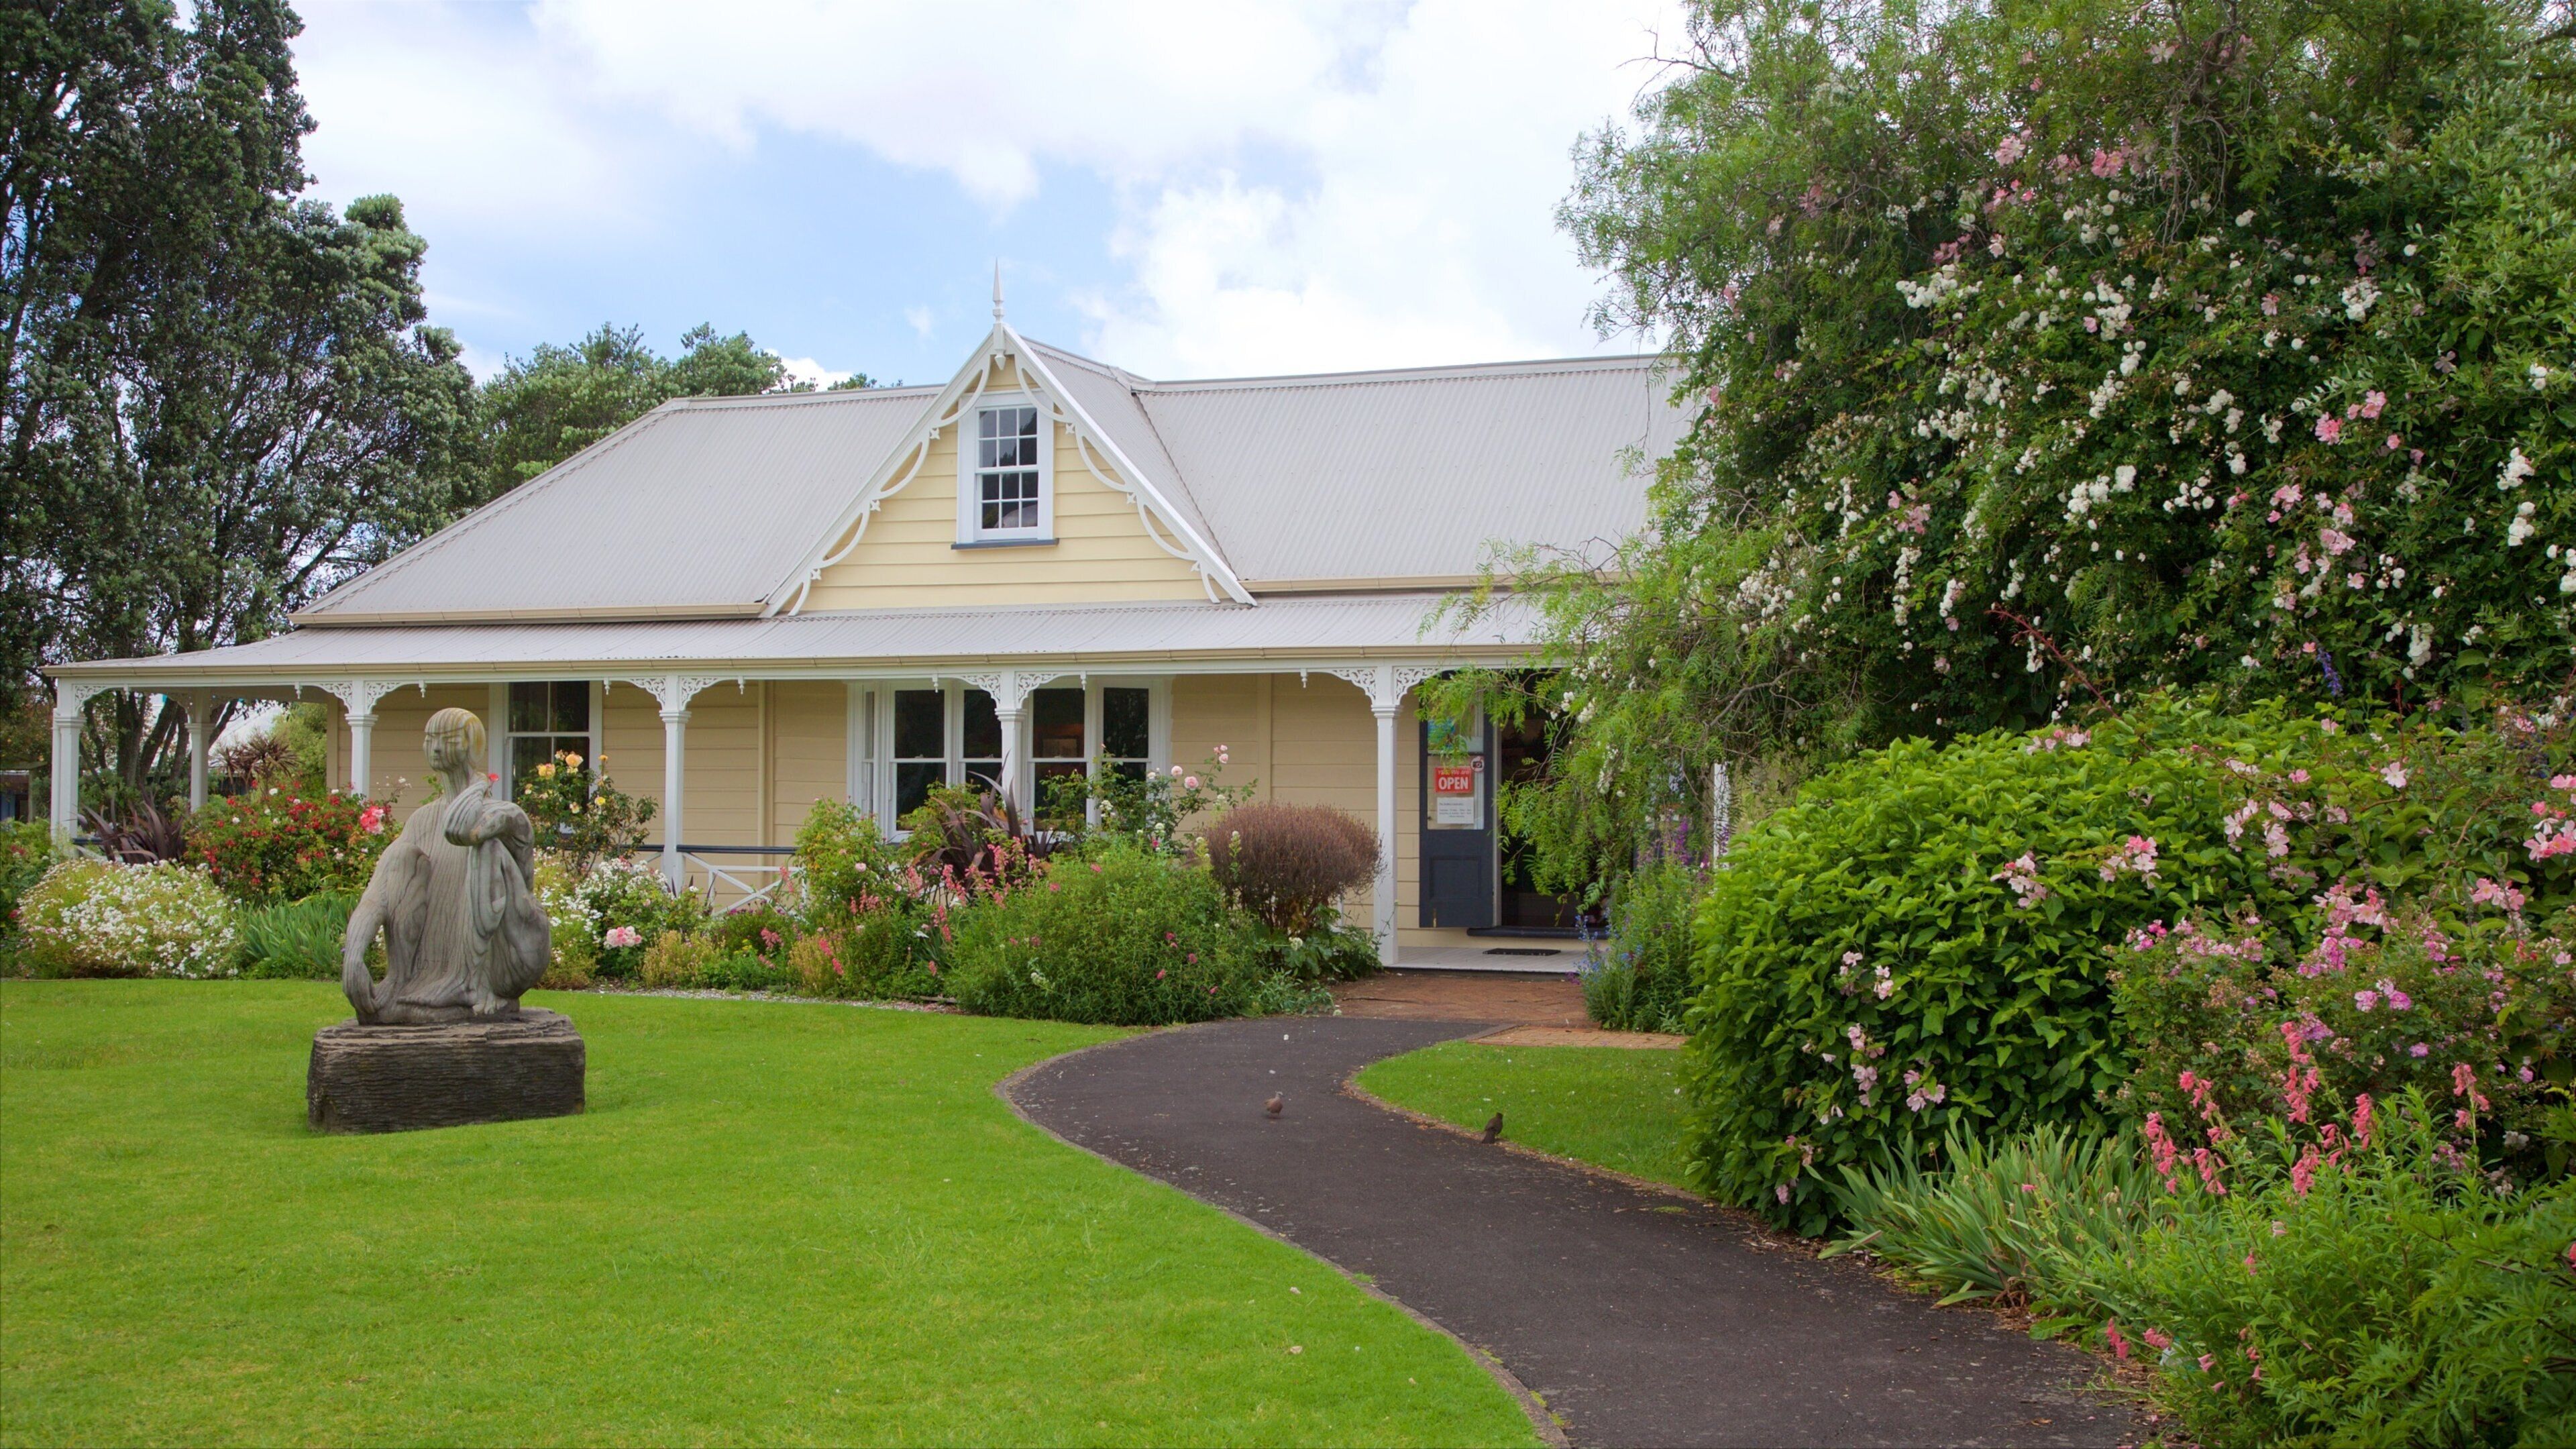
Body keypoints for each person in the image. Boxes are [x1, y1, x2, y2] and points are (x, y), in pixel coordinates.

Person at [341, 708, 550, 1023]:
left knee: (487, 848)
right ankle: (402, 981)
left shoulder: (507, 814)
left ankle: (469, 983)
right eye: (431, 739)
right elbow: (378, 894)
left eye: (449, 739)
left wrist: (476, 792)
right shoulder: (422, 820)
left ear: (473, 746)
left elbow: (470, 830)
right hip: (432, 964)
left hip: (508, 959)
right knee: (400, 856)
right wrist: (354, 955)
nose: (437, 748)